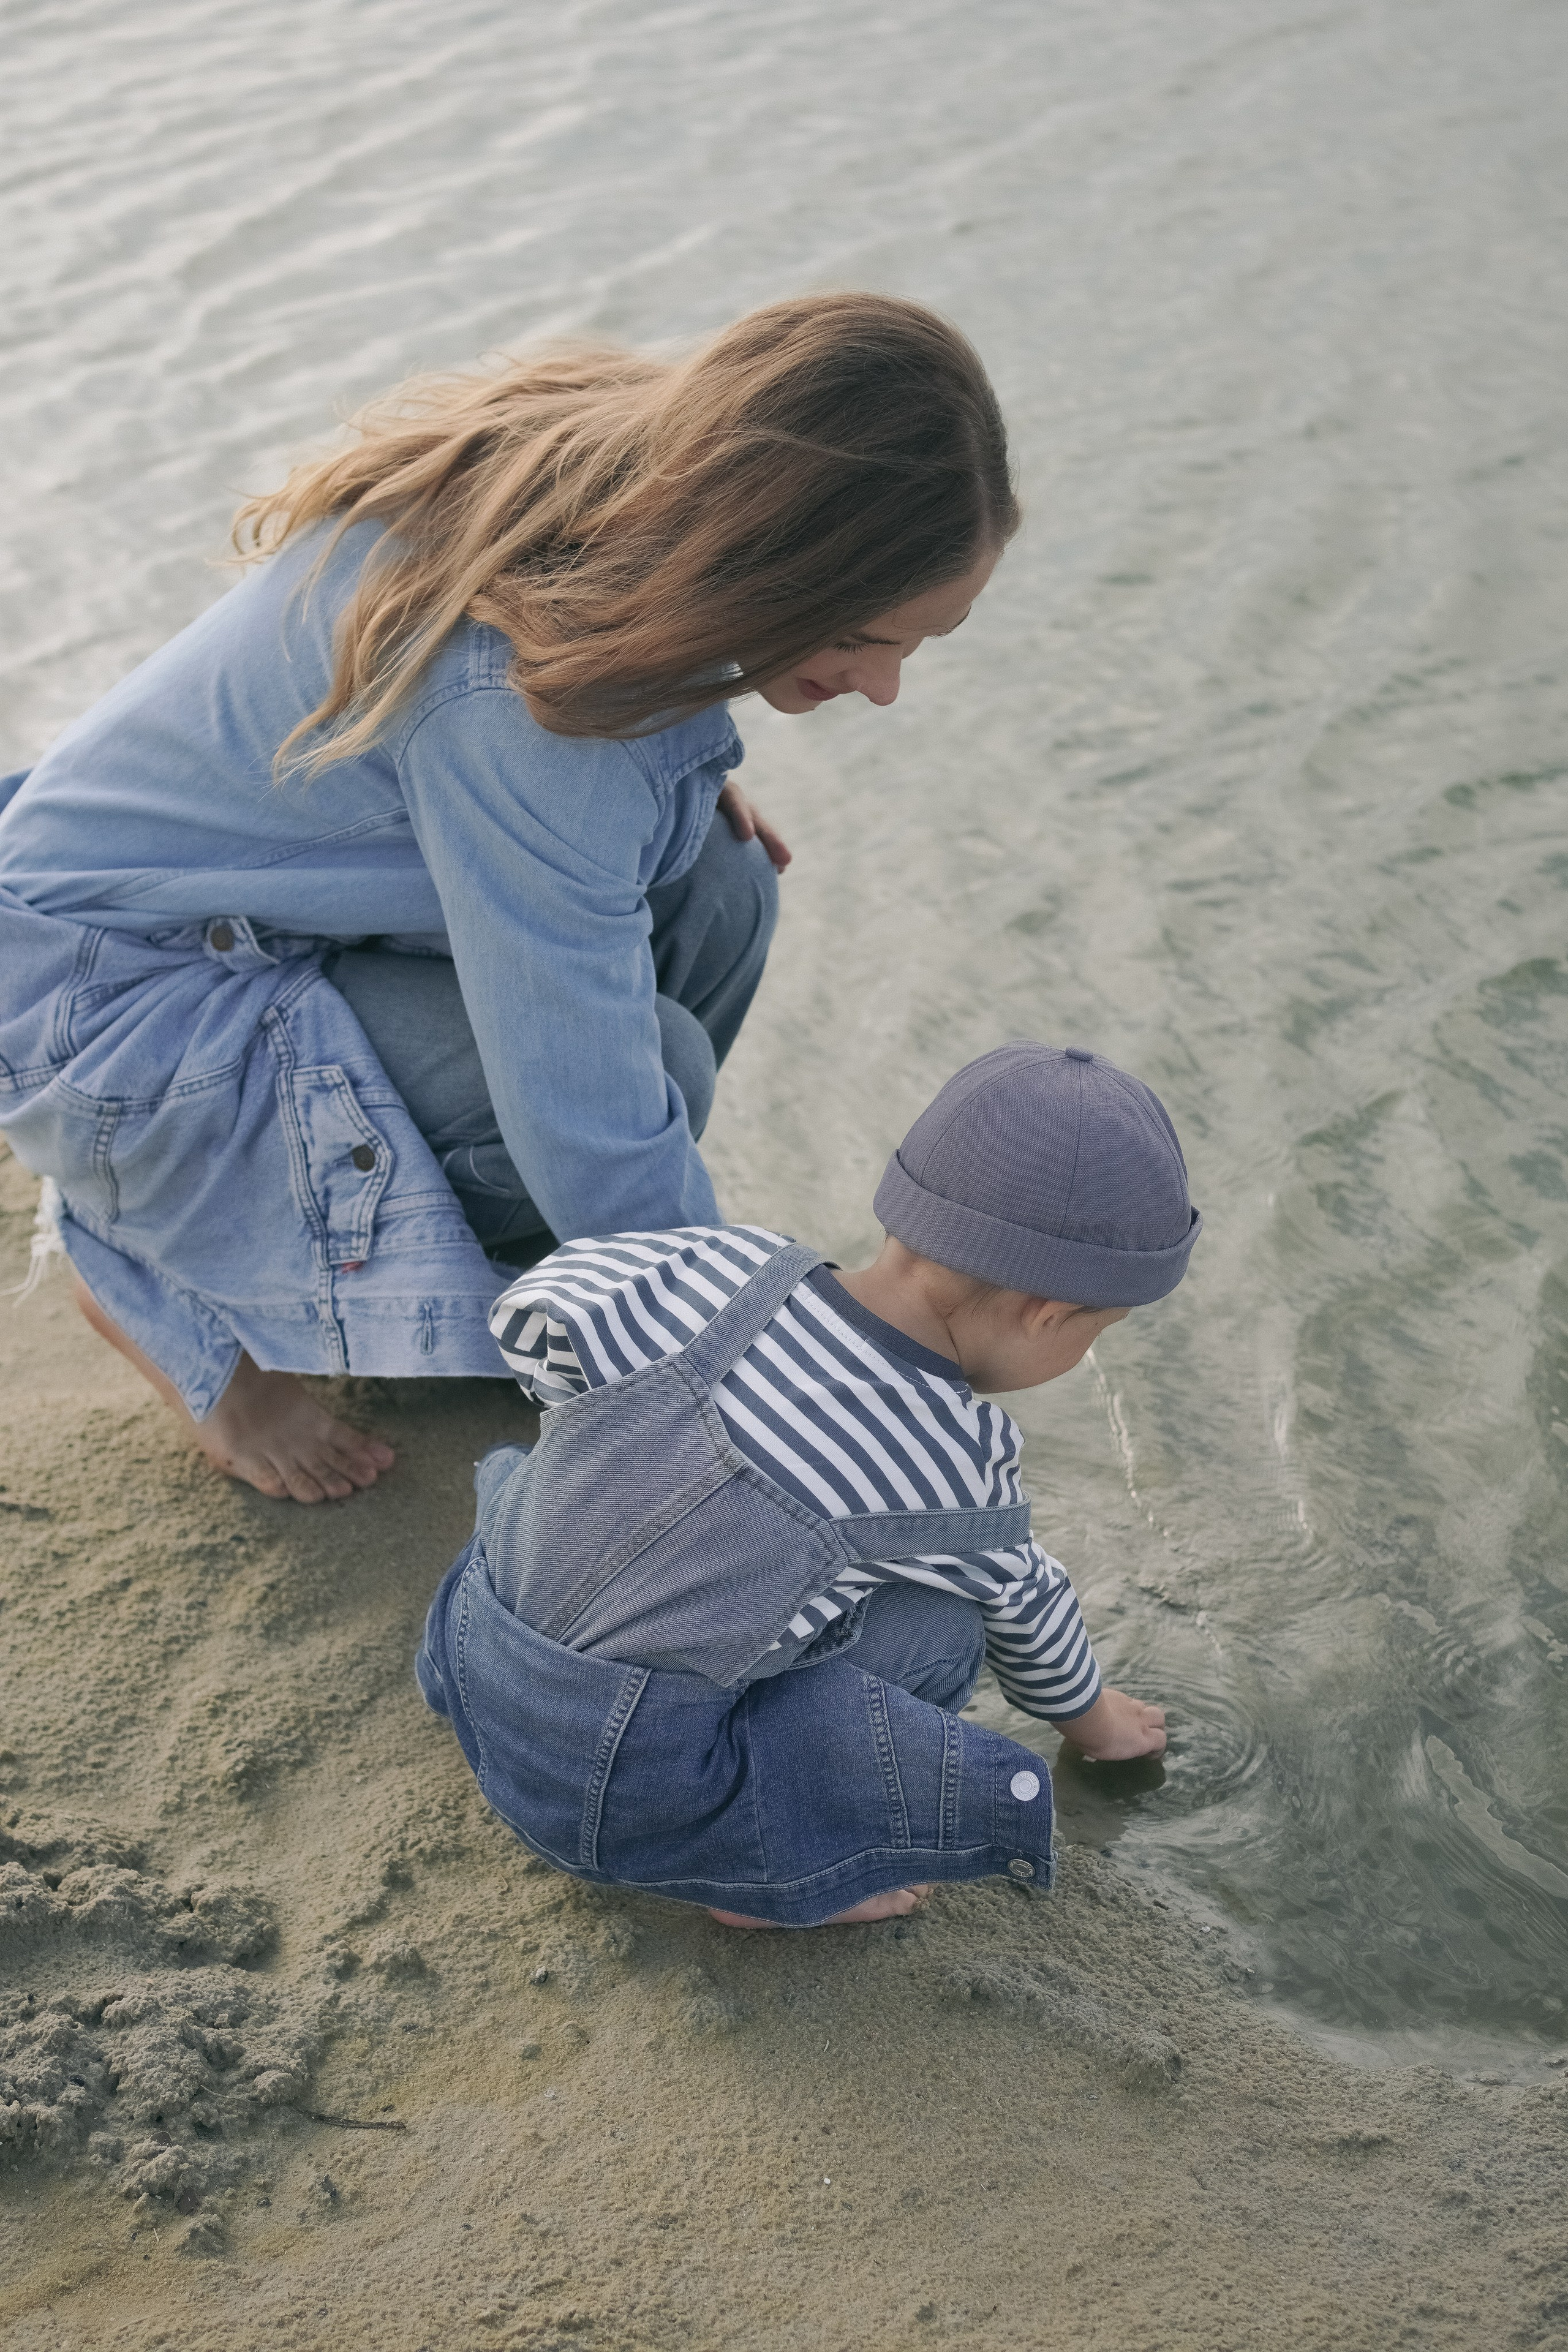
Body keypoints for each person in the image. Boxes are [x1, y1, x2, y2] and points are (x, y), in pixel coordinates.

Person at [0, 295, 1017, 1503]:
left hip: (226, 918)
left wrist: (671, 796)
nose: (884, 688)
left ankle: (518, 1292)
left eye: (916, 646)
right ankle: (169, 1288)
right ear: (765, 555)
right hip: (100, 1011)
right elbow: (593, 1121)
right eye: (860, 637)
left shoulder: (625, 473)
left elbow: (573, 800)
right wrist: (750, 1389)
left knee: (718, 889)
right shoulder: (521, 716)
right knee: (653, 1071)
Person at [417, 1041, 1200, 1929]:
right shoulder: (955, 1457)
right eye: (1096, 1333)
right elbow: (1026, 1608)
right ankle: (768, 1874)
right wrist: (1097, 1724)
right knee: (950, 1626)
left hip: (477, 1659)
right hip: (622, 1806)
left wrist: (610, 1458)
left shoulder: (734, 1265)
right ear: (1047, 1316)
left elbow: (545, 1300)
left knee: (540, 1479)